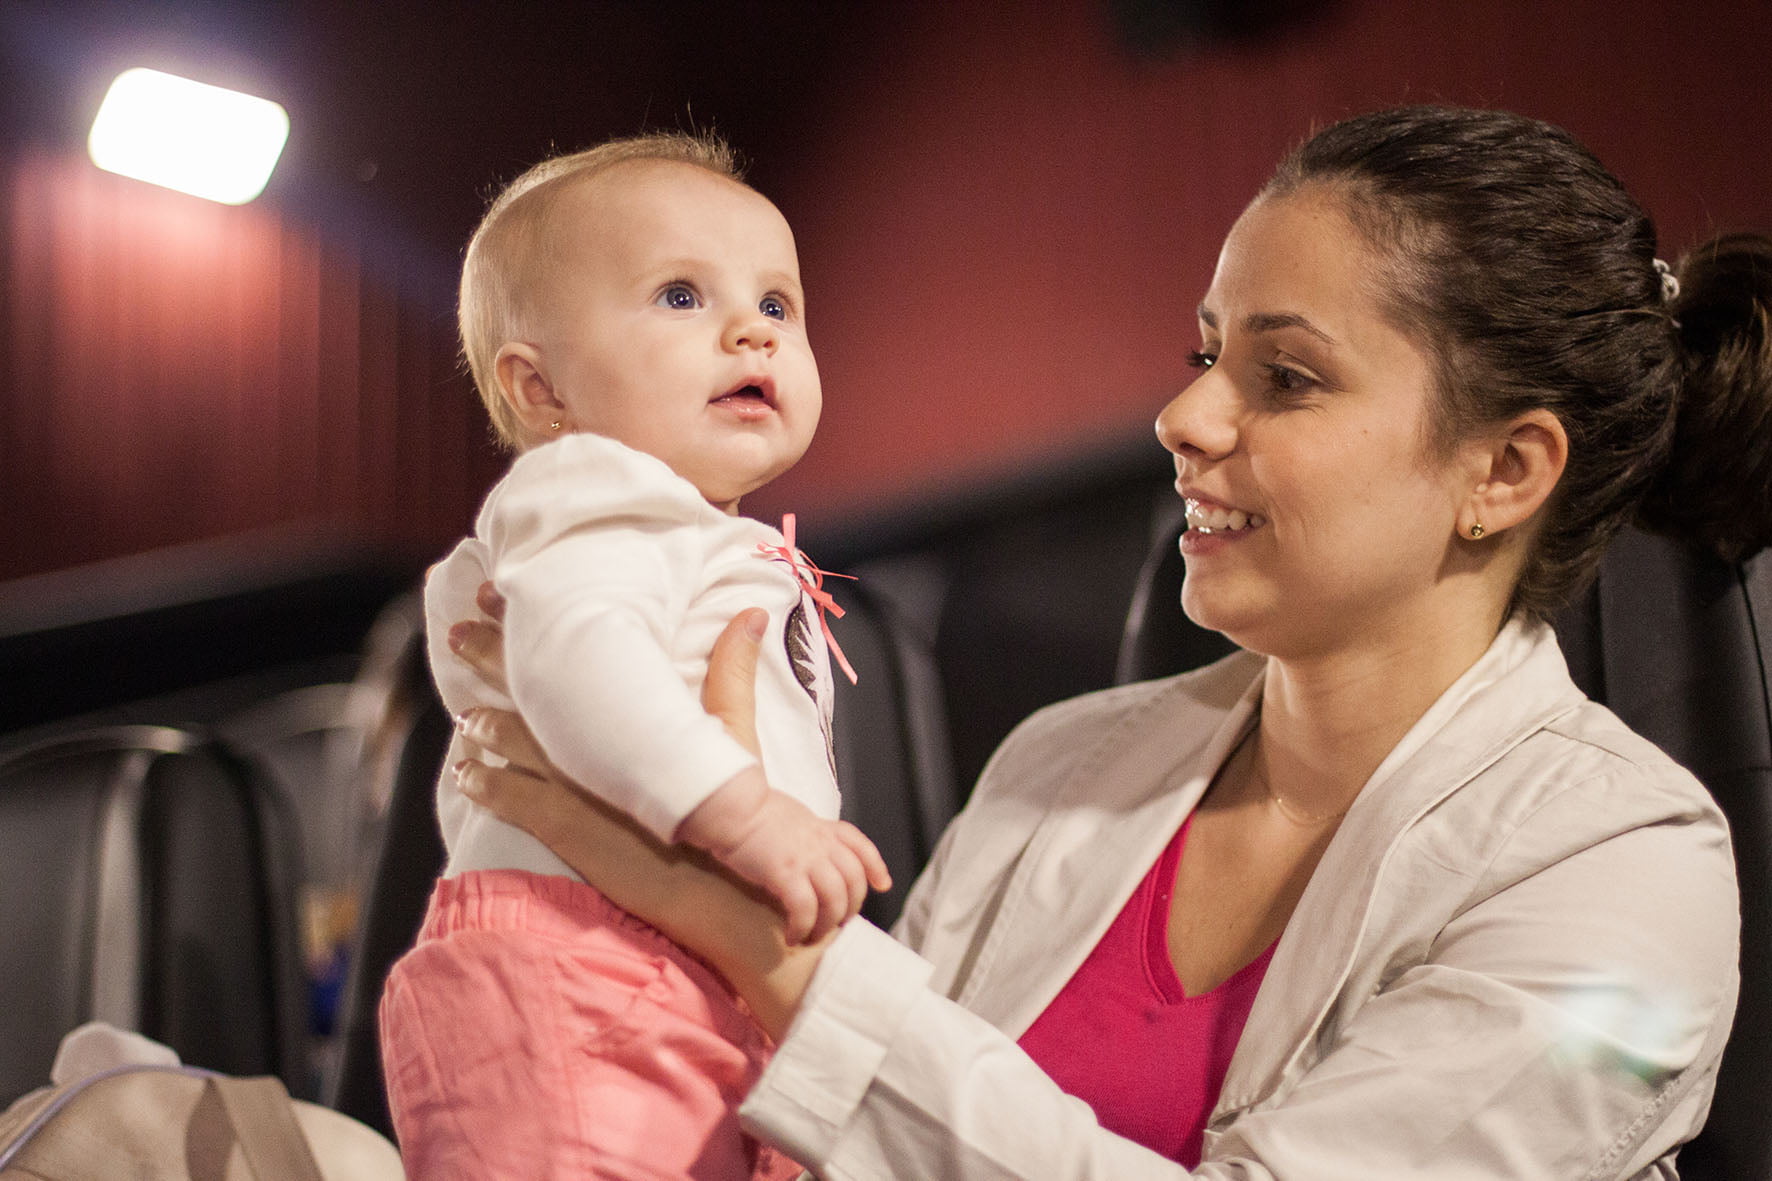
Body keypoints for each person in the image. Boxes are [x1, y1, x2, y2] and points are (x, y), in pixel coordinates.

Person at [448, 106, 1772, 1176]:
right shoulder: (1061, 767)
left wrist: (772, 950)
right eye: (1203, 352)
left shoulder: (1629, 874)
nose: (1184, 415)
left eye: (1286, 375)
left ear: (1504, 467)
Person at [381, 132, 889, 1180]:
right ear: (541, 392)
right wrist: (749, 815)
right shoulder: (584, 490)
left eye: (778, 304)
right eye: (678, 297)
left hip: (688, 959)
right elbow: (579, 657)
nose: (751, 330)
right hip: (577, 958)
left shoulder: (693, 532)